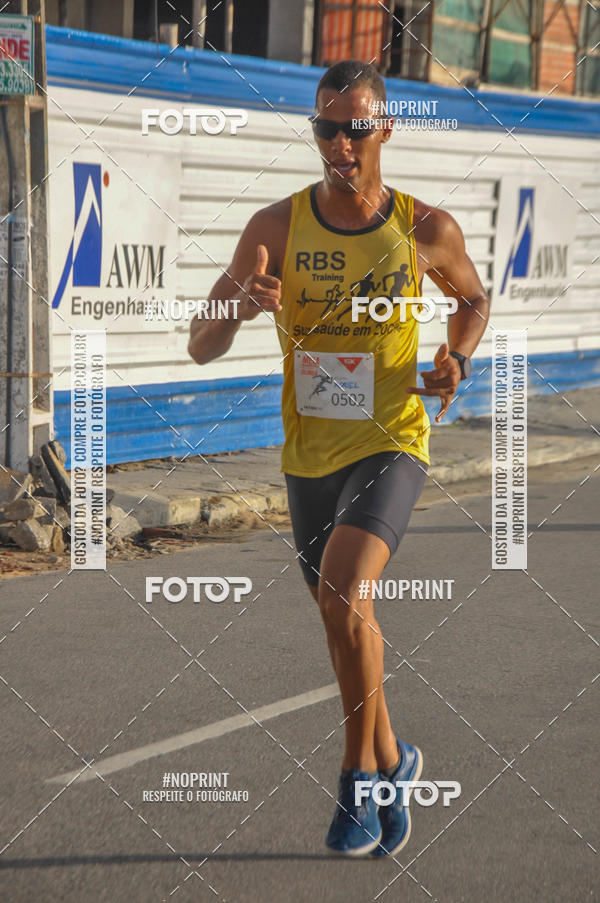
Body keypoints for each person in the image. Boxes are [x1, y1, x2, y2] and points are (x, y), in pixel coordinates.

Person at [188, 59, 490, 857]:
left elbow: (472, 299)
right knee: (340, 614)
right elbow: (199, 344)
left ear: (384, 128)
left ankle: (358, 779)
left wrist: (456, 361)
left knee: (346, 590)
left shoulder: (426, 229)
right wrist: (239, 307)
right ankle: (395, 757)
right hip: (310, 451)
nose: (340, 144)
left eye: (355, 128)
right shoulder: (276, 228)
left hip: (392, 438)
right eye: (326, 128)